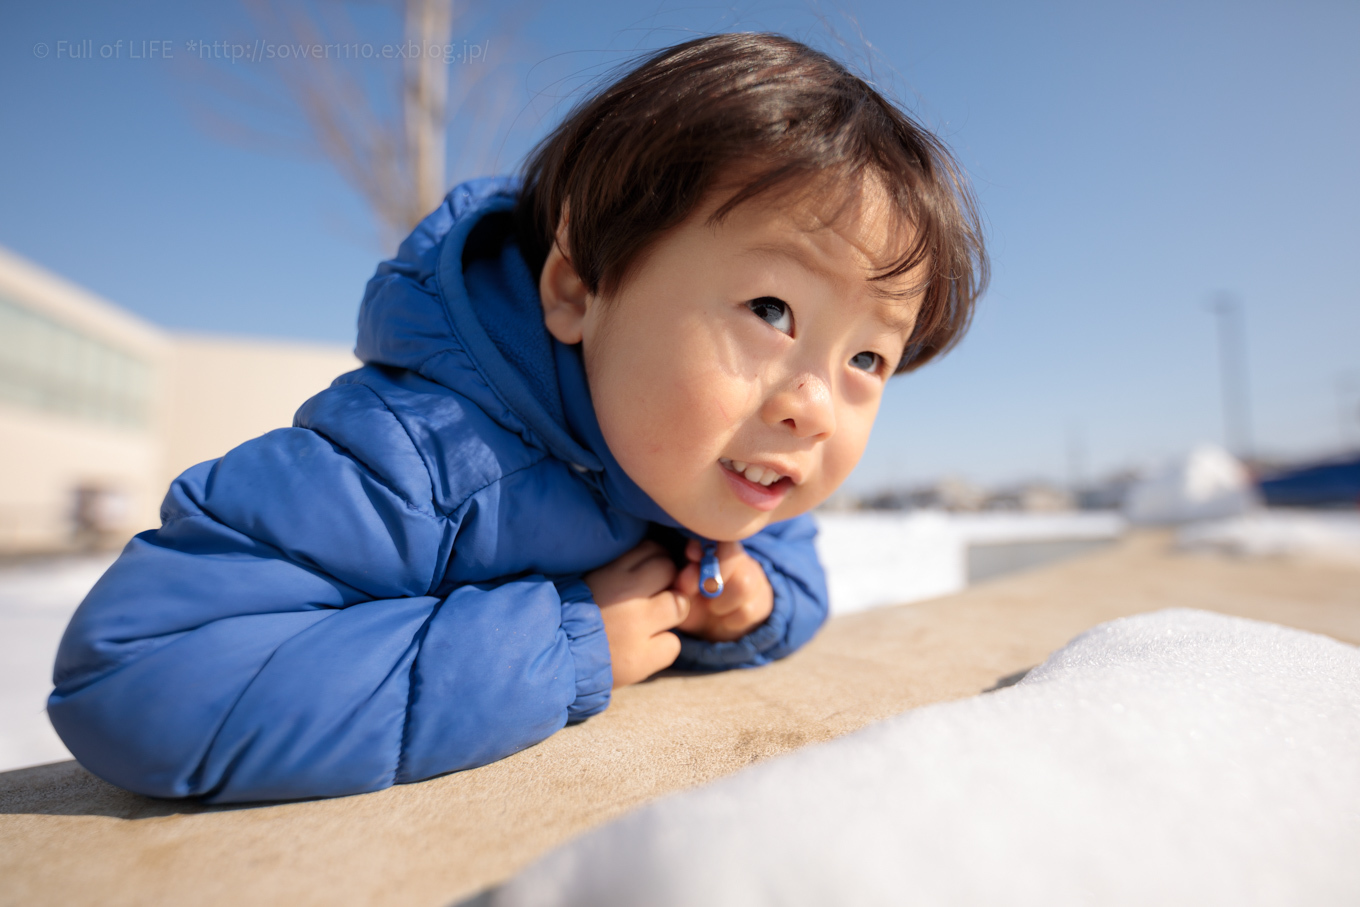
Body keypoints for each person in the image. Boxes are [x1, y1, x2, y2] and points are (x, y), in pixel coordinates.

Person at [48, 32, 987, 803]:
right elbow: (138, 675)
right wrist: (568, 638)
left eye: (869, 357)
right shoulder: (419, 460)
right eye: (771, 312)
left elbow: (791, 548)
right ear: (577, 286)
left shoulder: (688, 451)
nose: (815, 407)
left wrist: (752, 600)